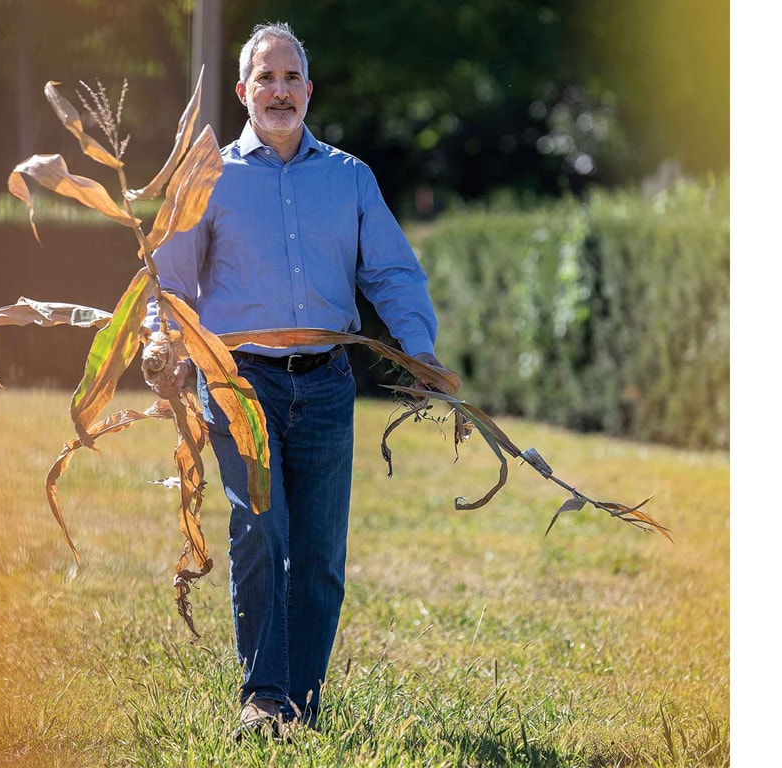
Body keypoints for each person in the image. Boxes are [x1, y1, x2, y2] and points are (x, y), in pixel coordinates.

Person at [143, 21, 451, 738]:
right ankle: (264, 697)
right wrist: (165, 349)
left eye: (291, 79)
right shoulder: (208, 176)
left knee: (318, 555)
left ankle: (302, 709)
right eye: (265, 79)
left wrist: (421, 348)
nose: (279, 92)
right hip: (238, 382)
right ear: (243, 90)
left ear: (308, 90)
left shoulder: (350, 178)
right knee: (260, 530)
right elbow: (172, 285)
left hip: (326, 384)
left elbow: (393, 274)